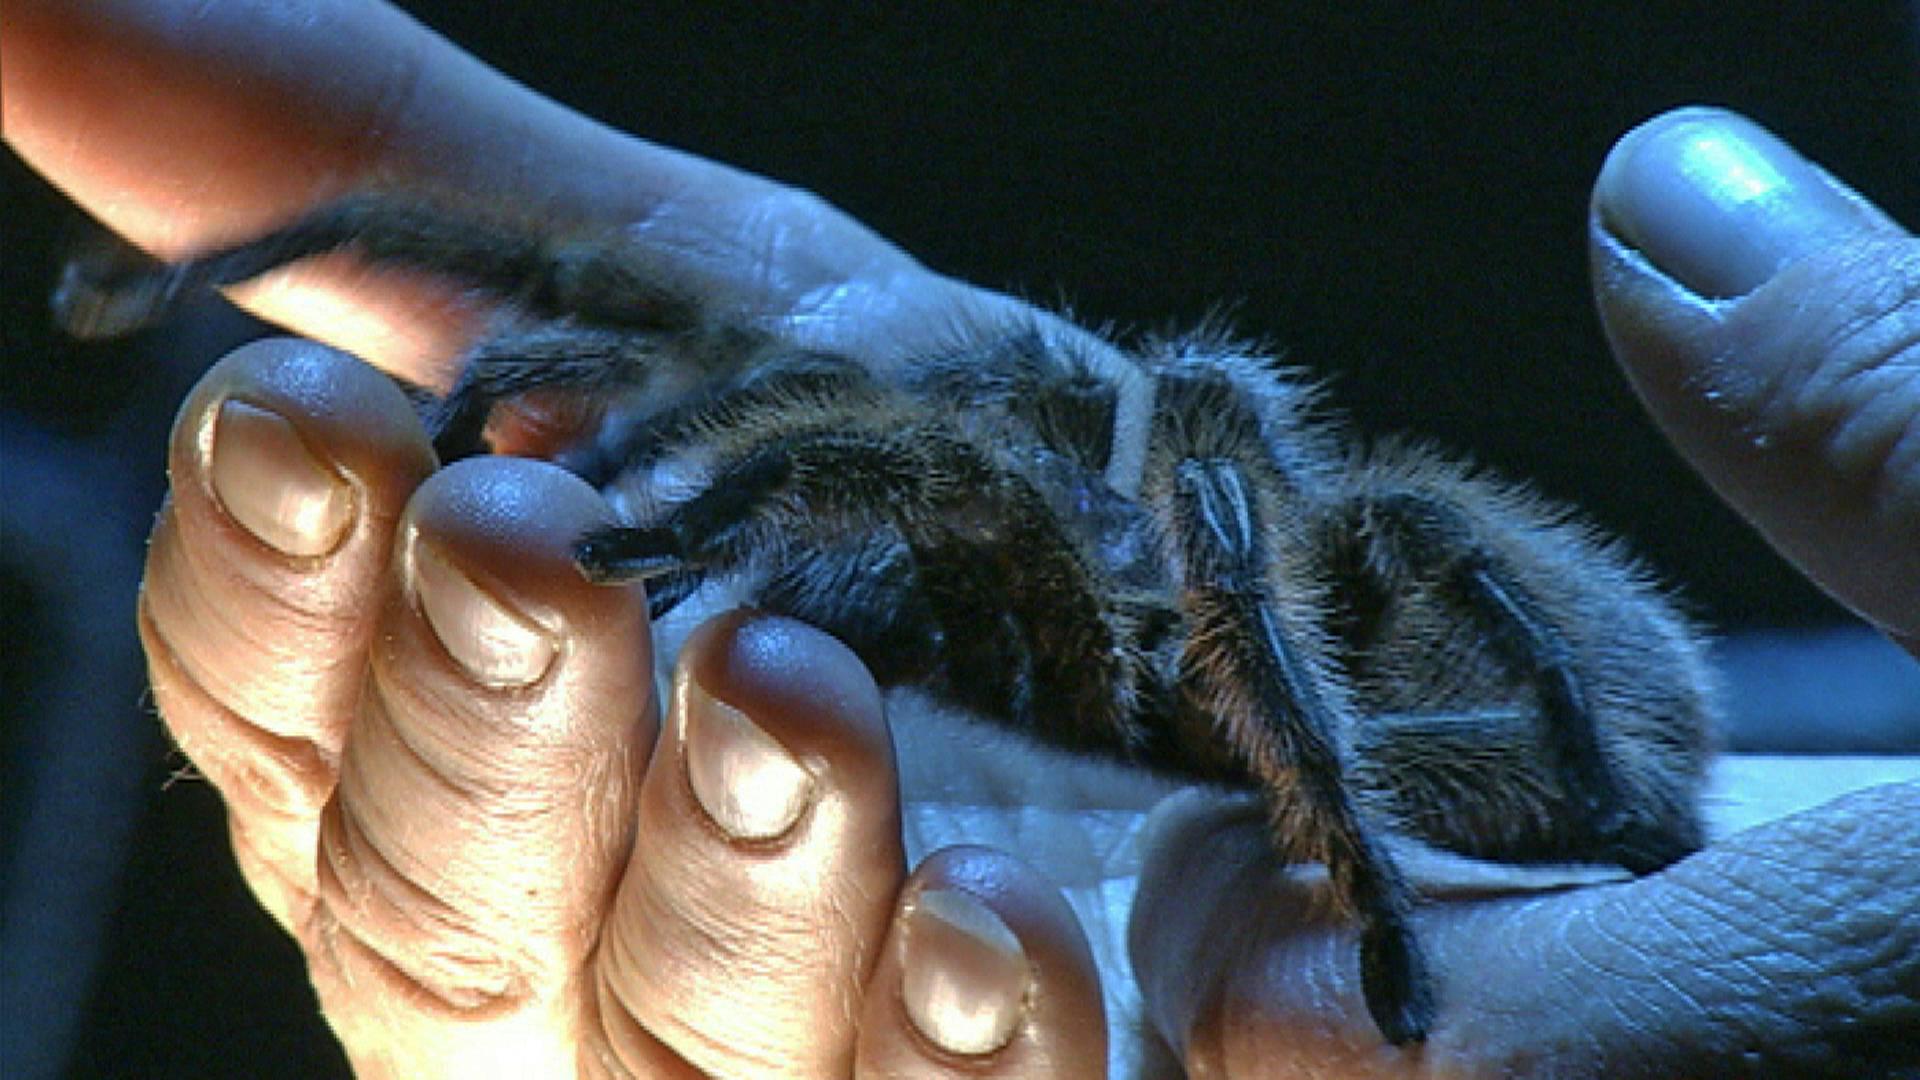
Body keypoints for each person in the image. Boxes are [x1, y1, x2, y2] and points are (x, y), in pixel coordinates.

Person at [6, 1, 1916, 1076]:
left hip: (1532, 732)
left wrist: (1364, 884)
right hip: (1549, 750)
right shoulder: (938, 520)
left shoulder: (1128, 553)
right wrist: (269, 274)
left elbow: (1191, 452)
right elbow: (766, 410)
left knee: (1251, 449)